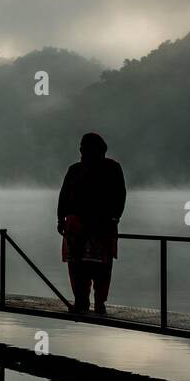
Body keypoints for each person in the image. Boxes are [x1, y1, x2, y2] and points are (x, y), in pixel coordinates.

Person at [57, 132, 126, 314]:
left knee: (100, 267)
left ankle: (99, 303)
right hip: (76, 227)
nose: (81, 151)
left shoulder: (111, 168)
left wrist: (114, 218)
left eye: (84, 148)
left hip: (101, 226)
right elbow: (64, 195)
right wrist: (60, 218)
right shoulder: (75, 170)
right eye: (81, 148)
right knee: (78, 268)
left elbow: (120, 195)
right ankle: (82, 301)